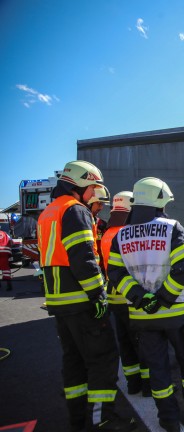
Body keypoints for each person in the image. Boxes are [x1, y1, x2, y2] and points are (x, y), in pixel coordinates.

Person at [107, 177, 184, 431]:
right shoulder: (172, 228)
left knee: (157, 370)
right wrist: (164, 299)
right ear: (159, 200)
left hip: (143, 317)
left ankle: (168, 420)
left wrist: (142, 299)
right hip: (176, 312)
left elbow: (114, 274)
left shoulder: (120, 235)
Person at [37, 160, 136, 431]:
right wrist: (98, 295)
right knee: (102, 360)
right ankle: (103, 419)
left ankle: (79, 419)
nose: (96, 196)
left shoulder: (49, 213)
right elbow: (83, 257)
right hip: (81, 301)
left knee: (74, 364)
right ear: (80, 184)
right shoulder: (75, 211)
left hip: (59, 303)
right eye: (94, 188)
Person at [100, 191, 150, 397]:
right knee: (144, 343)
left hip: (113, 296)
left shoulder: (107, 233)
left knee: (126, 343)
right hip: (130, 296)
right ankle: (149, 386)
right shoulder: (127, 233)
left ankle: (133, 383)